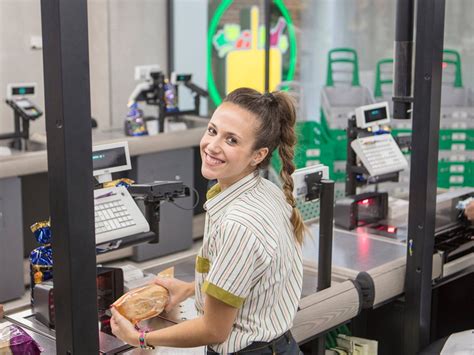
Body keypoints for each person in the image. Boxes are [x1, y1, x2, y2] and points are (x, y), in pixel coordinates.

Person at [111, 87, 305, 354]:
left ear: (258, 155)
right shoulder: (267, 191)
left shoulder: (238, 224)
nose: (212, 146)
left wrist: (140, 338)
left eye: (232, 140)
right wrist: (192, 288)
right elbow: (248, 277)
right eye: (212, 131)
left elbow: (214, 329)